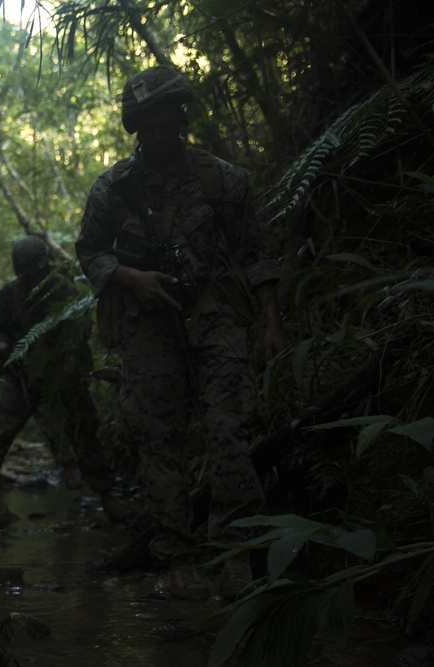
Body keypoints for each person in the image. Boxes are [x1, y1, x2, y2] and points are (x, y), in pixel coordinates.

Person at [75, 65, 287, 601]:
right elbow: (89, 251)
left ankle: (237, 555)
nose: (162, 128)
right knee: (157, 442)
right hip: (147, 328)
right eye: (151, 120)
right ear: (137, 125)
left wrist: (270, 322)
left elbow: (255, 255)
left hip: (215, 318)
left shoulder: (224, 180)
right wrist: (129, 277)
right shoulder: (115, 188)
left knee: (230, 432)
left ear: (182, 117)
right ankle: (179, 558)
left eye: (170, 117)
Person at [0, 235, 112, 494]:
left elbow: (79, 331)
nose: (36, 276)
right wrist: (5, 352)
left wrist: (69, 357)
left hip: (61, 376)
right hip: (20, 374)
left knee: (85, 436)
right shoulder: (9, 295)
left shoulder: (64, 290)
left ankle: (105, 495)